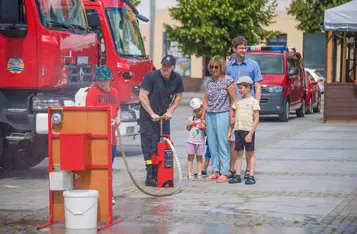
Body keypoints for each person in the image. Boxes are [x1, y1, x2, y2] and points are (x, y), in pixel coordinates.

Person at [139, 55, 184, 187]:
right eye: (163, 65)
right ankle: (150, 176)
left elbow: (179, 96)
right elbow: (142, 96)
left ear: (173, 67)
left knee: (164, 145)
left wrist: (170, 111)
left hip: (164, 116)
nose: (164, 67)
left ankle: (162, 173)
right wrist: (151, 113)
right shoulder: (151, 77)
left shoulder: (176, 78)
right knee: (150, 145)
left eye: (167, 66)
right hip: (148, 116)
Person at [226, 36, 263, 180]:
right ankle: (233, 169)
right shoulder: (229, 66)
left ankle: (248, 170)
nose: (243, 50)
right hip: (235, 107)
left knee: (249, 140)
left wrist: (256, 105)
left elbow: (258, 86)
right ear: (234, 49)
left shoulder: (253, 65)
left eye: (245, 47)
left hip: (248, 107)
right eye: (240, 48)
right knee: (235, 141)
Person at [85, 65, 121, 204]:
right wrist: (106, 120)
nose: (103, 83)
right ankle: (99, 193)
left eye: (105, 80)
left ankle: (108, 193)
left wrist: (118, 118)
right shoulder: (93, 92)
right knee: (99, 167)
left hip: (112, 138)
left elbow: (118, 108)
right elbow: (89, 113)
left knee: (109, 168)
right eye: (100, 80)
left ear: (110, 79)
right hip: (98, 137)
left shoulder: (115, 92)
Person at [202, 56, 236, 183]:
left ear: (221, 67)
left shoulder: (228, 80)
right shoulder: (208, 81)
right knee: (211, 144)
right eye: (212, 67)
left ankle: (225, 171)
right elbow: (205, 101)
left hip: (223, 113)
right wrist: (203, 118)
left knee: (223, 143)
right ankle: (215, 170)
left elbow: (233, 99)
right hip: (210, 114)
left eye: (216, 67)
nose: (214, 69)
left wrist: (232, 115)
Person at [227, 76, 260, 185]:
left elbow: (256, 118)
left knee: (250, 154)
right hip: (238, 130)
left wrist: (251, 133)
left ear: (248, 87)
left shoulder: (253, 102)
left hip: (248, 131)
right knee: (238, 153)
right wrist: (230, 131)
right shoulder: (238, 102)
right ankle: (237, 175)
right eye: (239, 88)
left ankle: (251, 175)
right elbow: (233, 118)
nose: (239, 90)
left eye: (241, 88)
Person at [186, 98, 206, 181]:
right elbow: (187, 128)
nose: (198, 113)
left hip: (200, 142)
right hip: (191, 141)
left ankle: (199, 173)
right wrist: (189, 124)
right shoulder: (192, 118)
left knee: (199, 158)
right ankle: (189, 174)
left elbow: (206, 132)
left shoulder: (204, 120)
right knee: (190, 157)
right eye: (196, 111)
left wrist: (204, 127)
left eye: (200, 110)